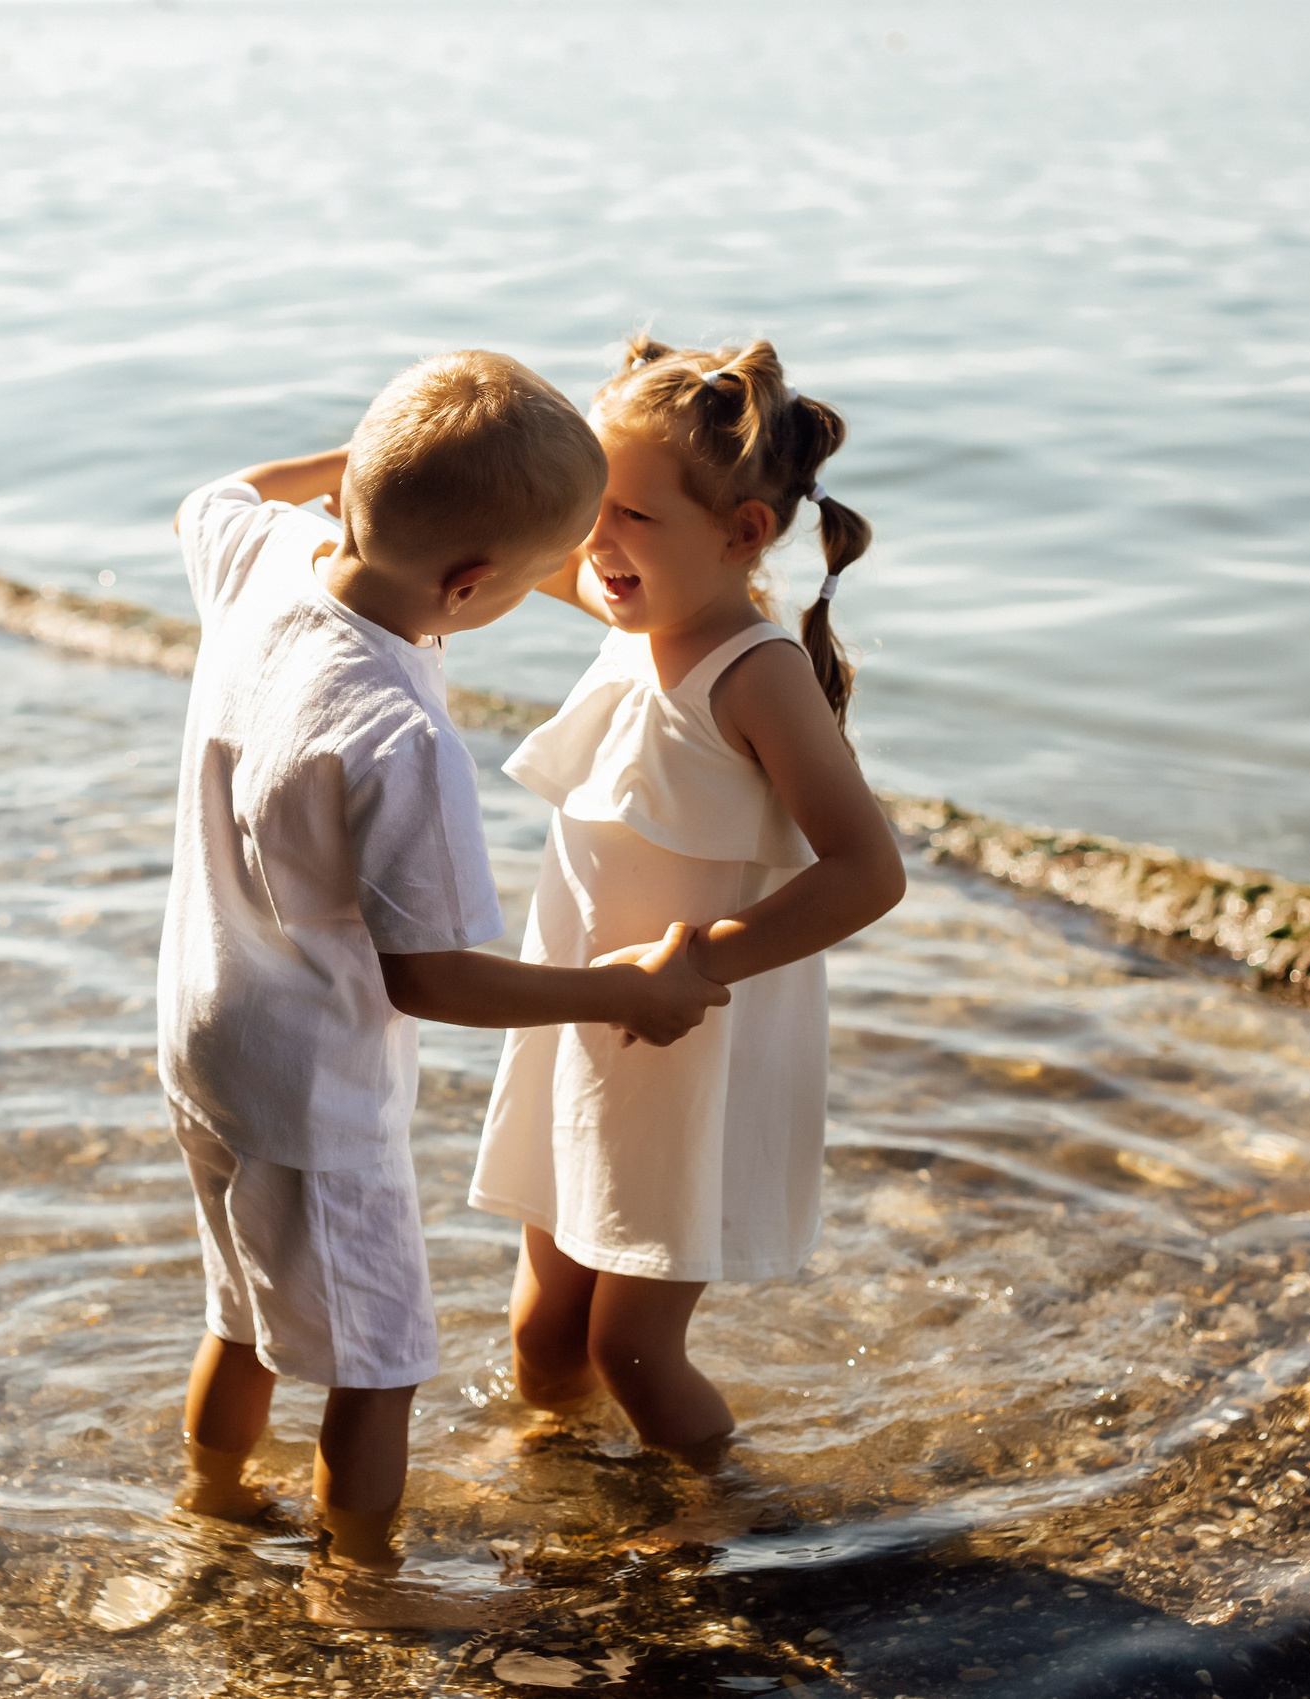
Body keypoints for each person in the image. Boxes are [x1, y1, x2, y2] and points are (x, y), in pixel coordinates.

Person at [161, 350, 730, 1575]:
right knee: (380, 1365)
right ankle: (353, 1583)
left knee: (243, 1313)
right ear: (470, 584)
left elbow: (229, 487)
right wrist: (618, 992)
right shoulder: (397, 727)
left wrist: (372, 460)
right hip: (312, 1085)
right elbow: (432, 978)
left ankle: (207, 1506)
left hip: (199, 1039)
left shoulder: (265, 560)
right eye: (539, 580)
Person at [470, 334, 908, 1469]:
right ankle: (556, 1485)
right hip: (582, 1023)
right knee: (542, 1325)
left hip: (689, 1038)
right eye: (584, 508)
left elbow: (868, 870)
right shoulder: (633, 609)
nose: (593, 542)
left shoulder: (752, 671)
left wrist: (704, 961)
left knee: (631, 1346)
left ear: (743, 533)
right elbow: (481, 544)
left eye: (628, 514)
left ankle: (716, 1519)